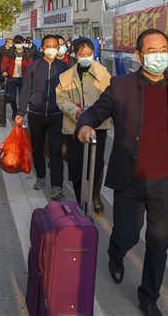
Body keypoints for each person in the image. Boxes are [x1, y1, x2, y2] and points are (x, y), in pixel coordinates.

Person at [76, 29, 168, 316]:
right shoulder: (121, 86)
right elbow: (95, 112)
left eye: (163, 49)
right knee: (128, 235)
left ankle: (149, 298)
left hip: (165, 182)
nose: (159, 56)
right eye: (152, 51)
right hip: (130, 179)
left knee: (159, 244)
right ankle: (116, 253)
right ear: (139, 56)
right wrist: (85, 125)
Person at [55, 38, 111, 215]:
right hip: (73, 127)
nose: (86, 57)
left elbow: (110, 98)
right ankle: (81, 200)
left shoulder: (103, 73)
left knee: (97, 164)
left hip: (97, 127)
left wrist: (95, 114)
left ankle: (95, 196)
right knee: (76, 165)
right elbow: (61, 99)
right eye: (82, 54)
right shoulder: (66, 76)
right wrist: (75, 111)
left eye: (89, 53)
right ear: (75, 54)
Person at [15, 35, 68, 200]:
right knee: (37, 148)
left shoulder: (64, 67)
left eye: (55, 46)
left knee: (56, 151)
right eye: (48, 46)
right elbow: (25, 89)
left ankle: (57, 186)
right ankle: (41, 177)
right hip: (36, 113)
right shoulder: (34, 65)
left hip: (57, 114)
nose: (52, 49)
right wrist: (21, 112)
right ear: (43, 48)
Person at [1, 35, 32, 120]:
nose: (18, 45)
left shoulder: (28, 53)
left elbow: (31, 65)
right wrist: (4, 71)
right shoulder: (10, 52)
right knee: (12, 98)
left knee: (23, 98)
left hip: (23, 79)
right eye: (16, 43)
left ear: (23, 43)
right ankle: (15, 111)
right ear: (14, 43)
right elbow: (4, 63)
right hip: (12, 78)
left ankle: (20, 113)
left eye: (20, 43)